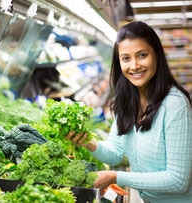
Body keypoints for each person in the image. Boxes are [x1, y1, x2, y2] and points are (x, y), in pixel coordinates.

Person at [66, 21, 192, 203]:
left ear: (156, 54)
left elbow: (178, 181)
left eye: (142, 55)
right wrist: (86, 141)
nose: (134, 66)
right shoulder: (126, 100)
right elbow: (115, 152)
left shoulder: (175, 104)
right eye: (126, 58)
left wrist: (116, 177)